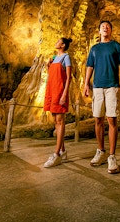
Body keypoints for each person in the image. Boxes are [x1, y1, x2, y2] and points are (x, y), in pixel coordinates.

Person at [83, 21, 120, 174]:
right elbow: (89, 67)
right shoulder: (94, 49)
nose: (105, 28)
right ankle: (101, 151)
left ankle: (112, 156)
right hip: (97, 86)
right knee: (98, 119)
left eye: (107, 26)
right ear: (99, 31)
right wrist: (86, 84)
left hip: (112, 86)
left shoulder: (116, 46)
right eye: (102, 27)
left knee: (111, 119)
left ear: (111, 30)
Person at [43, 37, 73, 168]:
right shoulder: (54, 58)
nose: (55, 42)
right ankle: (63, 150)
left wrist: (65, 94)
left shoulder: (66, 57)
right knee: (55, 121)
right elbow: (52, 75)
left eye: (58, 41)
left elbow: (68, 77)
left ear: (63, 45)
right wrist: (48, 65)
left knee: (60, 121)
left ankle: (56, 154)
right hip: (51, 91)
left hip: (60, 92)